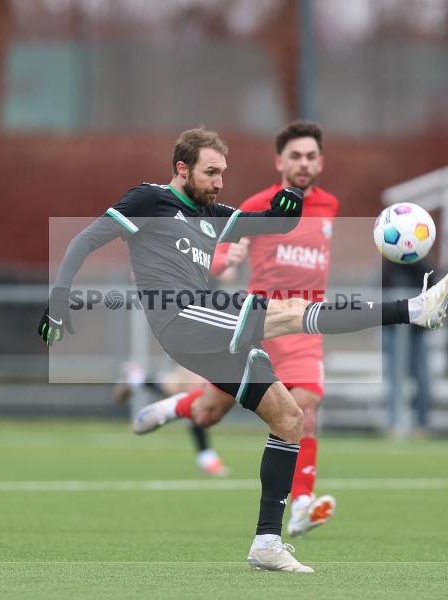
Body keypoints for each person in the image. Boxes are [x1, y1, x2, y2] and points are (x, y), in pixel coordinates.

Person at [39, 127, 448, 573]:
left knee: (289, 418)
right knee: (291, 310)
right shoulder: (149, 200)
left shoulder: (214, 214)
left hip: (207, 325)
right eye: (210, 172)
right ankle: (412, 309)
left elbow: (276, 223)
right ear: (181, 169)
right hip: (181, 317)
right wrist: (59, 296)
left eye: (223, 172)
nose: (220, 182)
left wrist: (290, 205)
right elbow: (82, 239)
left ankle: (266, 541)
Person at [140, 120, 340, 537]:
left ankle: (301, 503)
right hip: (255, 324)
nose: (303, 163)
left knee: (304, 409)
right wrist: (223, 264)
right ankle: (175, 406)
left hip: (303, 325)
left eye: (310, 156)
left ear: (320, 162)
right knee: (208, 413)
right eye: (295, 156)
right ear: (279, 161)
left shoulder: (330, 206)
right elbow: (208, 250)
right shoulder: (258, 204)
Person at [381, 261, 434, 437]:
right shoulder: (388, 261)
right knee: (394, 377)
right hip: (392, 326)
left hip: (416, 329)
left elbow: (431, 282)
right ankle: (395, 421)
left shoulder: (421, 262)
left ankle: (421, 423)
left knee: (421, 375)